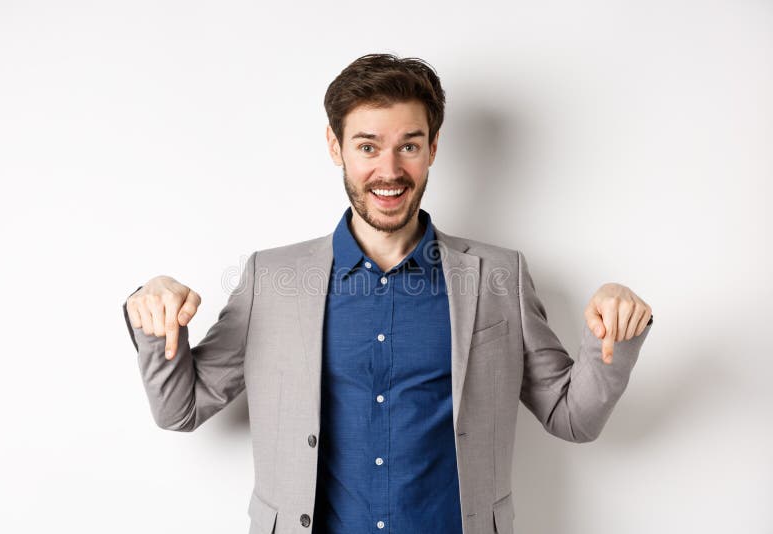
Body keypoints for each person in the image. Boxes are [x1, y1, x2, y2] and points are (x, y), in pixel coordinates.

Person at [122, 53, 654, 534]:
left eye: (409, 146)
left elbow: (572, 417)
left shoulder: (499, 276)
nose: (390, 170)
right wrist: (154, 311)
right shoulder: (271, 280)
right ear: (336, 147)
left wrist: (613, 332)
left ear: (433, 148)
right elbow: (180, 409)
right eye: (368, 146)